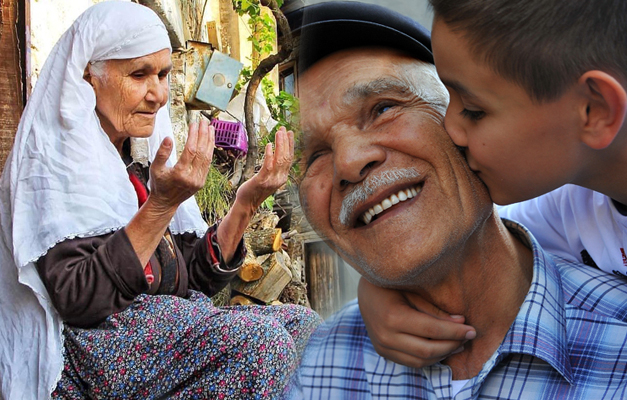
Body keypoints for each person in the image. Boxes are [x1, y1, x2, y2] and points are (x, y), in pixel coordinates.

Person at [285, 2, 627, 398]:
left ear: (594, 110)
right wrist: (374, 288)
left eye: (384, 108)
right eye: (309, 157)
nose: (348, 161)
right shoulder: (314, 369)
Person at [0, 2, 320, 399]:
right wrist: (161, 205)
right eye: (139, 75)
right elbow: (79, 299)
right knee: (262, 343)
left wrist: (245, 204)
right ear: (89, 77)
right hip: (96, 348)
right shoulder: (55, 162)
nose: (157, 94)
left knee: (306, 328)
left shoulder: (131, 165)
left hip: (159, 330)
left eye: (163, 74)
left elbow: (193, 277)